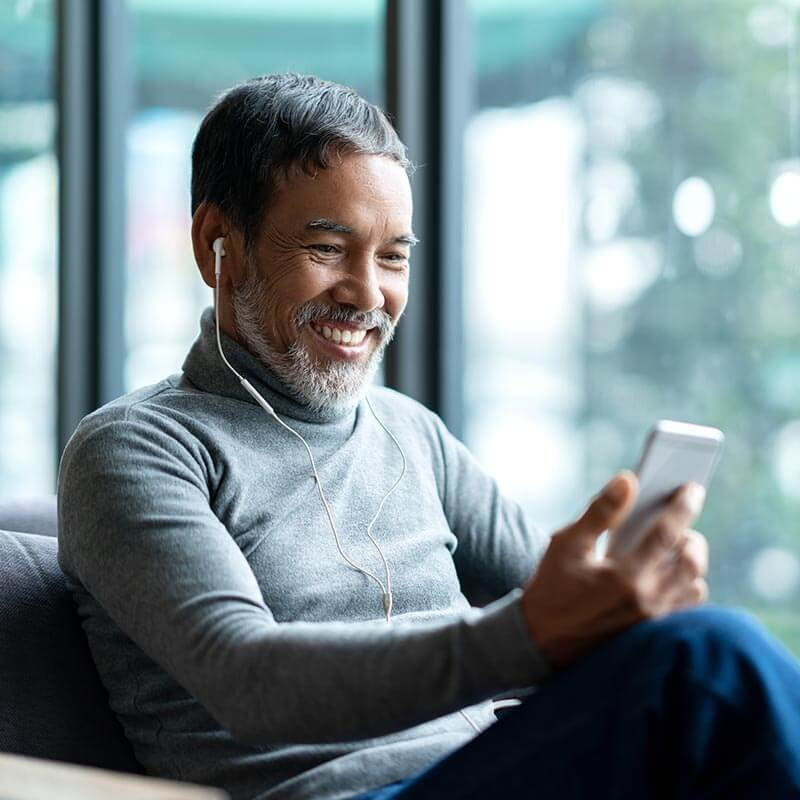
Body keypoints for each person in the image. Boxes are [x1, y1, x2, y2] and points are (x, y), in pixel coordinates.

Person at [57, 74, 800, 800]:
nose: (368, 293)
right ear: (219, 243)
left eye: (393, 257)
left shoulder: (411, 432)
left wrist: (628, 599)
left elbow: (559, 607)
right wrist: (531, 633)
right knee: (711, 661)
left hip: (496, 761)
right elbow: (245, 678)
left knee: (695, 656)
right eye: (327, 249)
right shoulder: (136, 449)